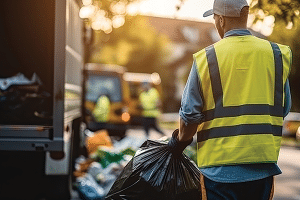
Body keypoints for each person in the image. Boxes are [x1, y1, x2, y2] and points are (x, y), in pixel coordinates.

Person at [167, 0, 292, 199]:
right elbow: (283, 108)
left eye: (215, 18)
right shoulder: (276, 55)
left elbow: (190, 116)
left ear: (222, 20)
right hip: (262, 168)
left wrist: (179, 142)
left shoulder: (206, 58)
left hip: (219, 172)